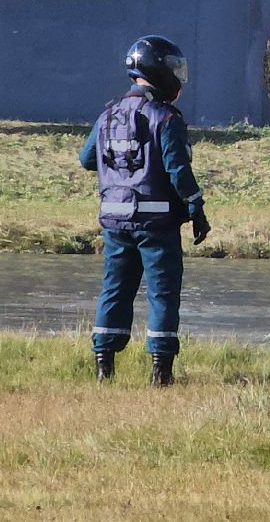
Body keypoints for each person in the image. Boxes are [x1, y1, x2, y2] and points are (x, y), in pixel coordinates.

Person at [79, 36, 210, 386]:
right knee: (162, 293)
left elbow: (86, 159)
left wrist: (119, 167)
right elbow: (177, 170)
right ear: (159, 70)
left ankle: (103, 368)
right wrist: (196, 206)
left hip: (115, 221)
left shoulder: (107, 115)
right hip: (157, 223)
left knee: (114, 289)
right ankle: (160, 374)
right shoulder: (165, 117)